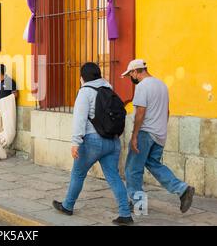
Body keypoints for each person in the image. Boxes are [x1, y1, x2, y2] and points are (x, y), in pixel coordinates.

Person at [52, 62, 133, 226]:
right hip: (113, 141)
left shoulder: (85, 92)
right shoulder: (109, 90)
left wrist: (75, 142)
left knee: (78, 174)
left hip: (92, 142)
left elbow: (79, 119)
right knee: (113, 177)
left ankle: (68, 205)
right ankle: (125, 214)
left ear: (82, 77)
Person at [122, 59, 195, 214]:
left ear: (136, 71)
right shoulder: (162, 85)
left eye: (130, 74)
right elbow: (167, 112)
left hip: (145, 133)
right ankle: (182, 189)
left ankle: (139, 205)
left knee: (133, 170)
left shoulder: (142, 86)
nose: (130, 78)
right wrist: (161, 130)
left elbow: (140, 112)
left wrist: (134, 136)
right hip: (159, 134)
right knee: (154, 164)